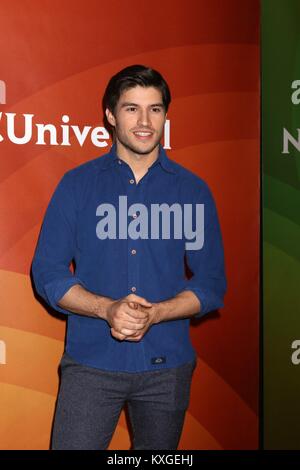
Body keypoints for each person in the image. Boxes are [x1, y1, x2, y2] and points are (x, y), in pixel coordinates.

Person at [31, 64, 226, 450]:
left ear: (166, 115)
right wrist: (106, 309)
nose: (144, 121)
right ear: (110, 114)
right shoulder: (77, 185)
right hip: (91, 363)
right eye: (131, 108)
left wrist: (156, 313)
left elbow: (211, 284)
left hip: (167, 367)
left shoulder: (193, 191)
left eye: (155, 109)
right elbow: (48, 272)